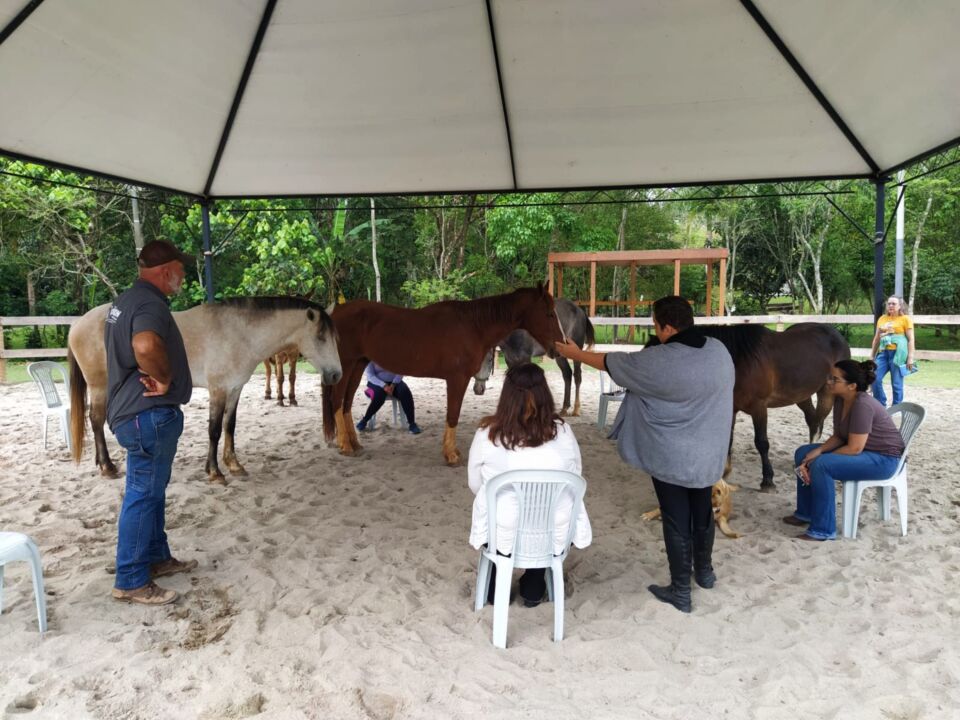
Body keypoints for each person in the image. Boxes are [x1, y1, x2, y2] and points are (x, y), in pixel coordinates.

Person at [554, 295, 734, 613]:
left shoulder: (660, 360)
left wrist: (574, 353)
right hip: (709, 454)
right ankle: (705, 574)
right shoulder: (718, 351)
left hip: (673, 458)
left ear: (665, 327)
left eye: (655, 325)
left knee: (677, 519)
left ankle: (680, 590)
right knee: (703, 513)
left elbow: (615, 363)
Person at [105, 240, 197, 605]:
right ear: (166, 271)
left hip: (134, 413)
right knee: (143, 493)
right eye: (181, 269)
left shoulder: (125, 300)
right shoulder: (148, 304)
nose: (184, 276)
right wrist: (164, 378)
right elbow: (144, 346)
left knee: (152, 488)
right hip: (147, 414)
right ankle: (130, 578)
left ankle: (157, 557)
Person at [467, 363, 592, 607]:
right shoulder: (564, 432)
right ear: (546, 394)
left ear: (506, 396)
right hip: (551, 530)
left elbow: (475, 484)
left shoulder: (487, 434)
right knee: (546, 514)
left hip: (502, 529)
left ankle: (494, 589)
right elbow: (575, 475)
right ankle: (534, 587)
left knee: (497, 512)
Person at [786, 360, 904, 541]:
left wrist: (819, 458)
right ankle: (806, 512)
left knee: (822, 465)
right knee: (803, 452)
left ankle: (823, 530)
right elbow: (840, 436)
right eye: (829, 377)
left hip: (884, 459)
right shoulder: (841, 400)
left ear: (852, 386)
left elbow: (854, 448)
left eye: (835, 379)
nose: (828, 382)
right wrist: (818, 451)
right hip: (863, 451)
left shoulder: (862, 405)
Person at [869, 296, 916, 407]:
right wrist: (872, 355)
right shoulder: (882, 319)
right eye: (889, 303)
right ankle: (881, 405)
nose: (890, 306)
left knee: (896, 383)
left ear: (900, 306)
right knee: (874, 377)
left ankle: (896, 407)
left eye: (894, 304)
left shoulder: (905, 319)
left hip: (898, 354)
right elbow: (877, 338)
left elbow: (911, 339)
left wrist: (910, 358)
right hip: (883, 353)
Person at [355, 362, 422, 434]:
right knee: (379, 395)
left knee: (404, 391)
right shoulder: (371, 357)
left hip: (395, 382)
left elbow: (401, 371)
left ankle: (412, 424)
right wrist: (383, 385)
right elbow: (370, 376)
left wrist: (393, 384)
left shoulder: (396, 354)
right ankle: (364, 420)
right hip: (376, 382)